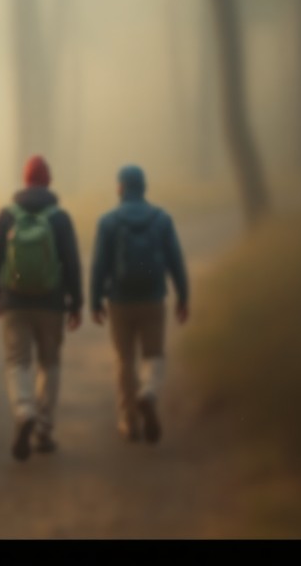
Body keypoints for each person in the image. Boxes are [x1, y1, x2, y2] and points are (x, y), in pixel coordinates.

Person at [0, 154, 84, 461]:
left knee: (17, 361)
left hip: (13, 302)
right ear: (48, 181)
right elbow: (71, 262)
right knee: (49, 363)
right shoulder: (60, 218)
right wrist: (76, 302)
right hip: (51, 304)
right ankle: (43, 430)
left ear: (25, 180)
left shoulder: (6, 215)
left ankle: (24, 409)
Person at [89, 164, 190, 445]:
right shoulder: (161, 219)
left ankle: (129, 421)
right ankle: (149, 393)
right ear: (144, 187)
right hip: (153, 299)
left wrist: (95, 301)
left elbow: (99, 266)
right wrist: (183, 296)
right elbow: (176, 261)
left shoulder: (108, 222)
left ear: (120, 187)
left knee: (124, 360)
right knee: (154, 355)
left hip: (120, 301)